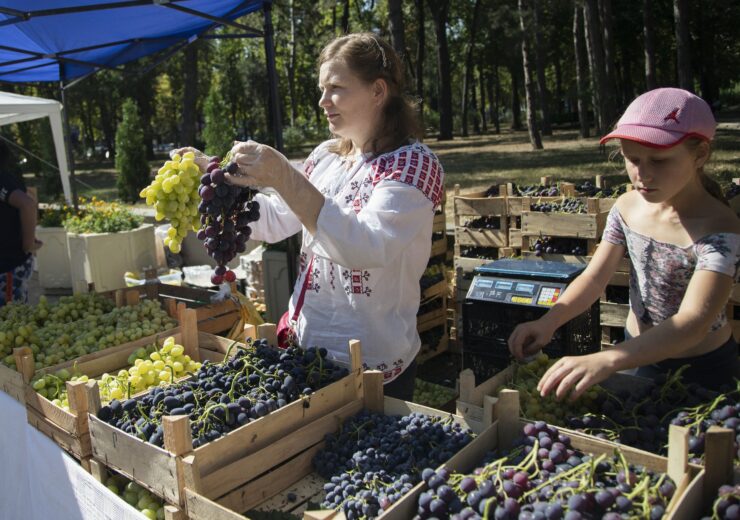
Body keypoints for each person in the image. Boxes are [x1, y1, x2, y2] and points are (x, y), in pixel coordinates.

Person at [180, 33, 444, 401]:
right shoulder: (326, 157)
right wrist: (211, 184)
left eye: (336, 88)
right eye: (321, 89)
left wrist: (284, 177)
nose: (323, 101)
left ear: (378, 91)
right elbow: (274, 220)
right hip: (307, 350)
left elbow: (365, 246)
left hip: (371, 366)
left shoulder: (413, 165)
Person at [508, 87, 739, 396]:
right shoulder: (627, 207)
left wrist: (609, 358)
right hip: (635, 355)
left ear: (700, 155)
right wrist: (550, 321)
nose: (642, 174)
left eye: (659, 161)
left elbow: (693, 322)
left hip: (702, 373)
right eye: (633, 159)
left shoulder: (720, 230)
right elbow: (593, 278)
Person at [0, 142, 42, 306]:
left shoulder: (2, 180)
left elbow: (28, 204)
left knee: (10, 324)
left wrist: (28, 242)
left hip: (7, 267)